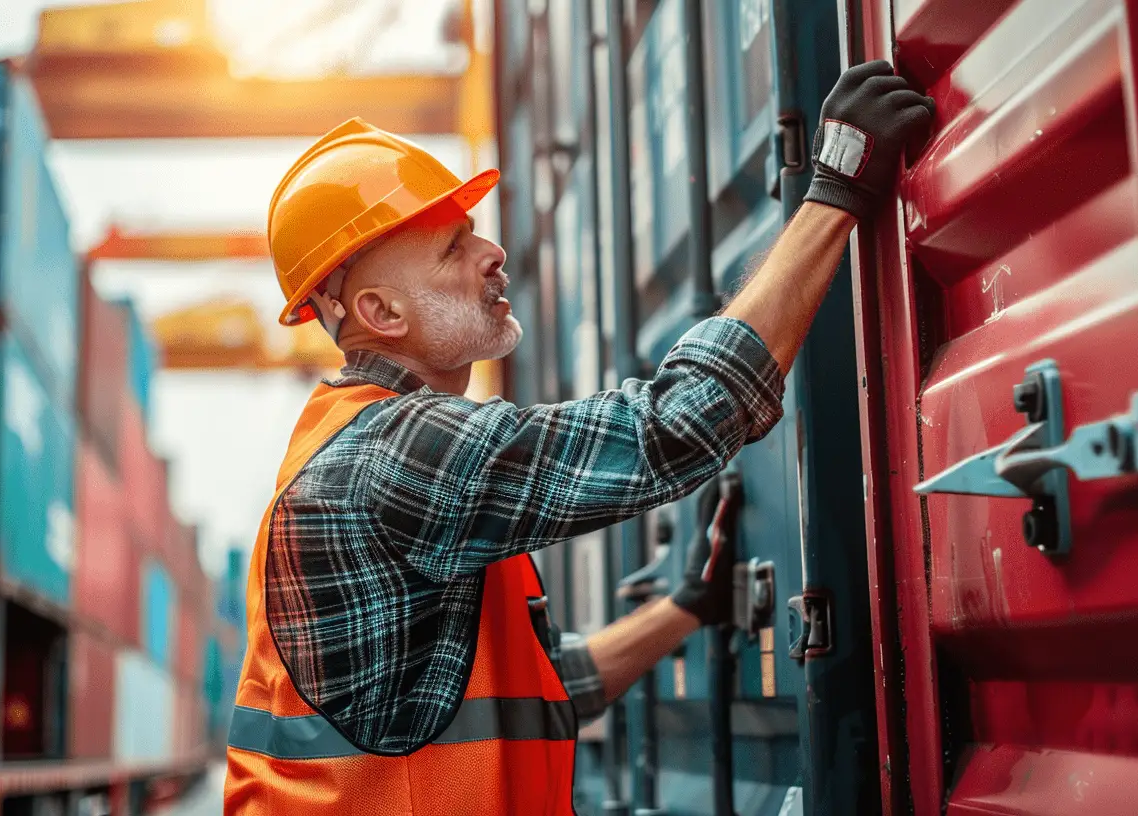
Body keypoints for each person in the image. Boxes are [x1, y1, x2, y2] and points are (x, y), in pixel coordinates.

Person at [224, 60, 933, 815]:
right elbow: (678, 422)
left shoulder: (357, 449)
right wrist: (836, 189)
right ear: (382, 314)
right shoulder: (394, 455)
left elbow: (535, 697)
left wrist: (687, 607)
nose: (491, 252)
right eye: (453, 246)